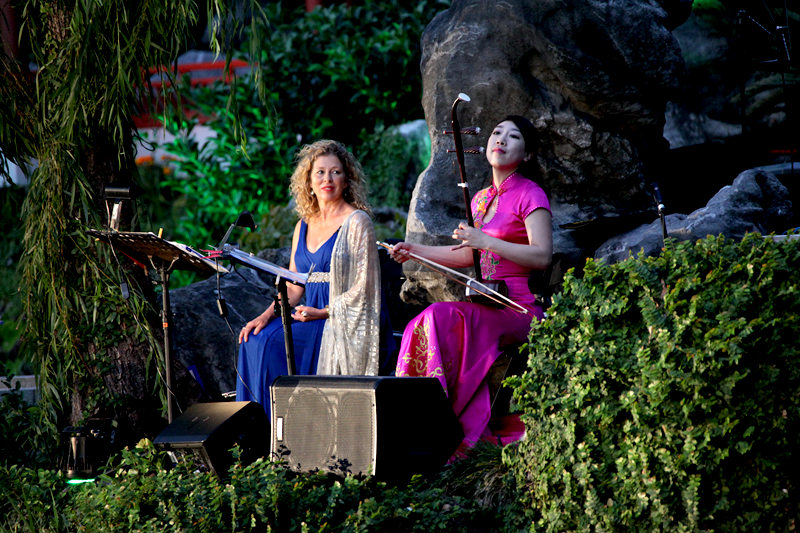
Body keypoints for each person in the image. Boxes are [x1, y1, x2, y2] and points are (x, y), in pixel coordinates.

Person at [389, 115, 552, 454]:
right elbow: (466, 255)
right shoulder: (480, 199)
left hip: (518, 308)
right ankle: (416, 420)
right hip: (487, 304)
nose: (501, 139)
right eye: (497, 133)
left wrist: (484, 240)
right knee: (422, 323)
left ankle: (441, 425)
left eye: (514, 136)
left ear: (528, 155)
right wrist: (414, 251)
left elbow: (541, 256)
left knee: (438, 317)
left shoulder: (531, 194)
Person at [236, 139, 382, 417]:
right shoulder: (302, 225)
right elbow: (294, 286)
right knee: (251, 339)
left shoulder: (358, 221)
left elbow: (365, 289)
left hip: (339, 318)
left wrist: (323, 312)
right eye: (320, 172)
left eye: (336, 172)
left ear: (347, 180)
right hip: (304, 313)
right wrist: (266, 315)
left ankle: (280, 434)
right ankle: (251, 438)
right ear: (309, 182)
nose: (328, 178)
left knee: (270, 344)